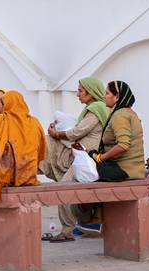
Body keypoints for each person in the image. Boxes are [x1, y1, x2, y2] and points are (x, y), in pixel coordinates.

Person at [41, 76, 110, 242]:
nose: (78, 94)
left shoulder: (96, 108)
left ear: (91, 92)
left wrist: (57, 133)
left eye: (81, 91)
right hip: (82, 155)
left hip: (86, 158)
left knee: (64, 188)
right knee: (47, 145)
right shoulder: (94, 108)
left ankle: (67, 230)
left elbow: (77, 132)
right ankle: (77, 225)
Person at [88, 80, 145, 181]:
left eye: (107, 93)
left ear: (117, 97)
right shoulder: (129, 113)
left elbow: (123, 146)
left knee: (86, 168)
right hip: (134, 170)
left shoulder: (120, 115)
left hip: (123, 170)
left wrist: (100, 158)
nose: (104, 96)